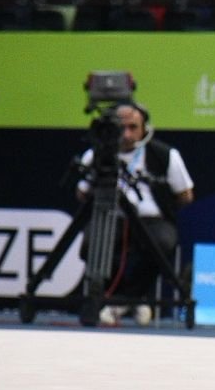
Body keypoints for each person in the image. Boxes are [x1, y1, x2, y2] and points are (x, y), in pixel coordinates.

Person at [77, 101, 194, 326]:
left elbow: (185, 195)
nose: (127, 134)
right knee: (92, 242)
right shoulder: (97, 155)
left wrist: (161, 197)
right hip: (111, 216)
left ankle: (124, 301)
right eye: (121, 128)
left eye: (133, 127)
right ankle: (129, 299)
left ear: (145, 128)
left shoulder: (165, 154)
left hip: (152, 220)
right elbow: (82, 194)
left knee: (162, 243)